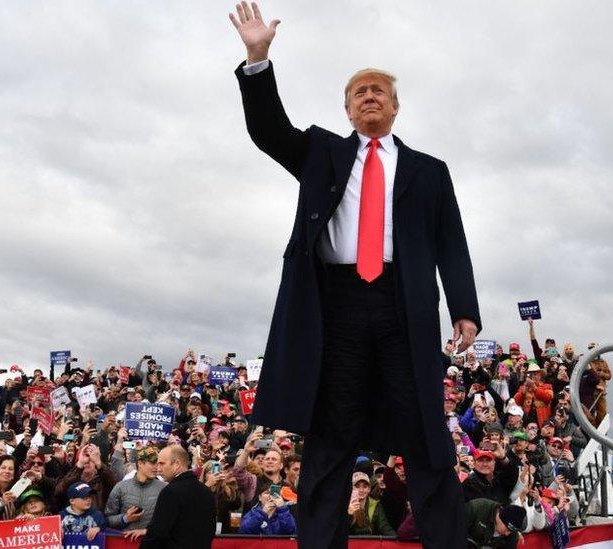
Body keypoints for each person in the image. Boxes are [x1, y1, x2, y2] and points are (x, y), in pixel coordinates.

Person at [229, 3, 481, 548]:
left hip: (403, 305)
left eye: (379, 91)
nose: (370, 96)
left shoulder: (428, 171)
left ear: (395, 107)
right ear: (347, 109)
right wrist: (257, 60)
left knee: (425, 436)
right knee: (331, 435)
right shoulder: (321, 152)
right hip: (335, 306)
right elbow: (270, 131)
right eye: (359, 92)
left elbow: (451, 243)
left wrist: (464, 308)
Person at [140, 445, 215, 549]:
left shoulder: (170, 492)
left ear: (177, 464)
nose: (158, 469)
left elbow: (158, 533)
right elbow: (210, 531)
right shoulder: (207, 491)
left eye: (162, 463)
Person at [104, 445, 166, 541]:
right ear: (140, 463)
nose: (157, 468)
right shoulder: (121, 487)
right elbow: (107, 519)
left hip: (151, 543)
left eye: (158, 464)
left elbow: (168, 521)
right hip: (126, 542)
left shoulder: (164, 488)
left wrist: (147, 531)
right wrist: (125, 519)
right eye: (153, 463)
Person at [347, 471, 395, 536]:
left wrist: (396, 541)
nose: (361, 490)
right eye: (357, 486)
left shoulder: (375, 504)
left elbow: (384, 526)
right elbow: (339, 530)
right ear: (351, 488)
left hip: (369, 543)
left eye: (365, 486)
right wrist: (349, 515)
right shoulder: (343, 504)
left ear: (369, 489)